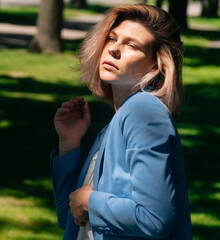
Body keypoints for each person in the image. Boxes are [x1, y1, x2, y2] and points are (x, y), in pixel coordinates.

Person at [50, 4, 192, 240]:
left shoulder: (144, 112)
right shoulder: (113, 125)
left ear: (156, 66)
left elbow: (154, 219)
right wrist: (69, 142)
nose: (114, 49)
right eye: (112, 38)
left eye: (132, 45)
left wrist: (91, 202)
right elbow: (70, 217)